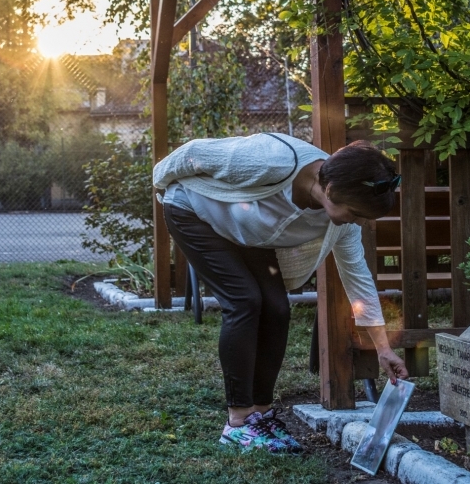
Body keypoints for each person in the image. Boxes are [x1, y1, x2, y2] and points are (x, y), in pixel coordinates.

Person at [153, 132, 409, 454]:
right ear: (330, 190)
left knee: (276, 307)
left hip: (246, 233)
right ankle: (237, 424)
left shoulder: (342, 224)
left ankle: (260, 414)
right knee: (244, 301)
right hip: (192, 211)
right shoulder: (272, 158)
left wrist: (383, 348)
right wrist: (160, 185)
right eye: (356, 213)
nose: (358, 222)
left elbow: (358, 280)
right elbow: (195, 153)